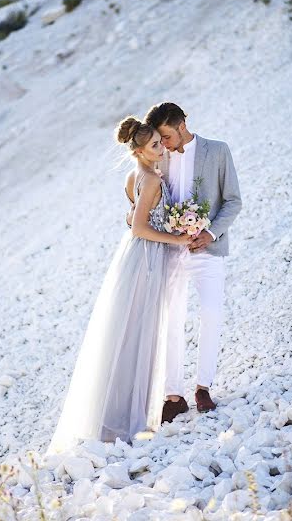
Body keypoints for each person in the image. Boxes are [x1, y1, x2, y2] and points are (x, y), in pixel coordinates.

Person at [48, 117, 193, 453]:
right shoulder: (151, 179)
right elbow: (139, 227)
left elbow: (131, 213)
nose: (162, 149)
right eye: (156, 145)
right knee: (139, 333)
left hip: (133, 258)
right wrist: (176, 238)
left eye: (161, 142)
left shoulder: (134, 177)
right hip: (146, 258)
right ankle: (129, 419)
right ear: (140, 151)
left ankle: (118, 413)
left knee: (126, 333)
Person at [144, 102, 242, 423]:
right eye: (161, 140)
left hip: (208, 249)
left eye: (168, 137)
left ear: (183, 124)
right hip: (172, 251)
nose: (166, 145)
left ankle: (203, 387)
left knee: (210, 313)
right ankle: (174, 395)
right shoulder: (160, 157)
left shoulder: (217, 151)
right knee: (171, 320)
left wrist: (211, 233)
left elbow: (233, 201)